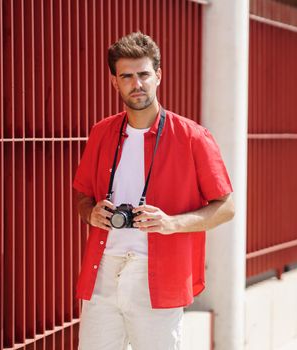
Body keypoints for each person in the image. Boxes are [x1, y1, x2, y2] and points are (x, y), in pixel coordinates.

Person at [73, 32, 234, 350]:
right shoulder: (101, 133)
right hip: (103, 268)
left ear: (158, 76)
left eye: (144, 74)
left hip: (157, 275)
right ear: (114, 81)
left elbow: (226, 207)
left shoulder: (192, 137)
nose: (137, 84)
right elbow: (82, 195)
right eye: (127, 76)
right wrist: (89, 213)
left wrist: (171, 223)